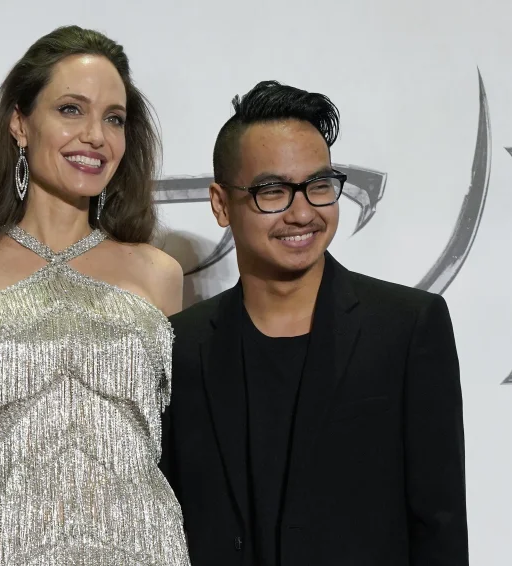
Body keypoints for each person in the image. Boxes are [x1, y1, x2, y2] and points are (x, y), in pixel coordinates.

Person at [161, 81, 468, 565]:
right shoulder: (179, 346)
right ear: (221, 203)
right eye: (273, 191)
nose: (303, 213)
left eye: (319, 186)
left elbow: (440, 524)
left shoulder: (408, 328)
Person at [0, 25, 189, 565]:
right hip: (1, 545)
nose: (95, 136)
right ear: (19, 123)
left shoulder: (159, 273)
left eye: (114, 118)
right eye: (71, 110)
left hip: (144, 546)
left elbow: (183, 441)